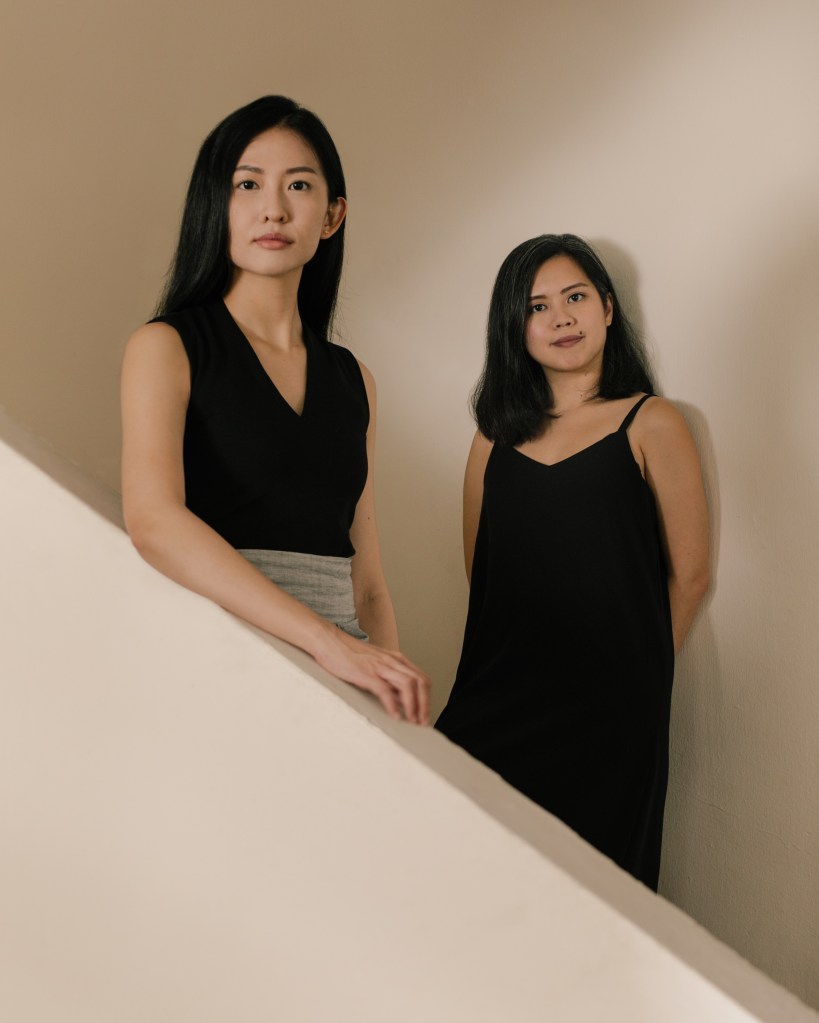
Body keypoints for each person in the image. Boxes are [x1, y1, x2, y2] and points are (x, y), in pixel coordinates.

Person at [121, 96, 430, 724]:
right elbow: (154, 523)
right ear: (217, 204)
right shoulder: (166, 348)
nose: (273, 208)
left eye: (298, 185)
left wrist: (388, 686)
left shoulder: (355, 380)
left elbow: (366, 579)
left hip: (344, 682)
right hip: (216, 663)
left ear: (332, 215)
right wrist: (327, 643)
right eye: (247, 183)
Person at [435, 234, 709, 887]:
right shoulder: (492, 434)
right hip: (497, 693)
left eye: (575, 297)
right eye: (536, 306)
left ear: (607, 309)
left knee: (593, 894)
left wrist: (633, 683)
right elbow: (484, 567)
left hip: (611, 709)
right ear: (515, 328)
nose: (560, 318)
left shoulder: (650, 421)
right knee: (464, 868)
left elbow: (690, 574)